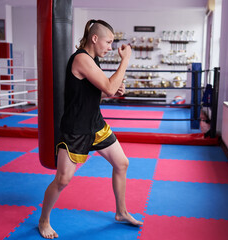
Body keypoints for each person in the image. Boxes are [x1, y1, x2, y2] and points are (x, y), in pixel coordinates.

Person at [38, 19, 142, 239]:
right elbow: (109, 87)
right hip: (76, 129)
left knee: (122, 163)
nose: (110, 47)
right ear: (95, 39)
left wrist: (111, 91)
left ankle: (121, 212)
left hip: (95, 125)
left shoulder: (93, 59)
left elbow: (95, 93)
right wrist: (125, 61)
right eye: (109, 42)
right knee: (63, 179)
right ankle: (44, 220)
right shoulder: (82, 59)